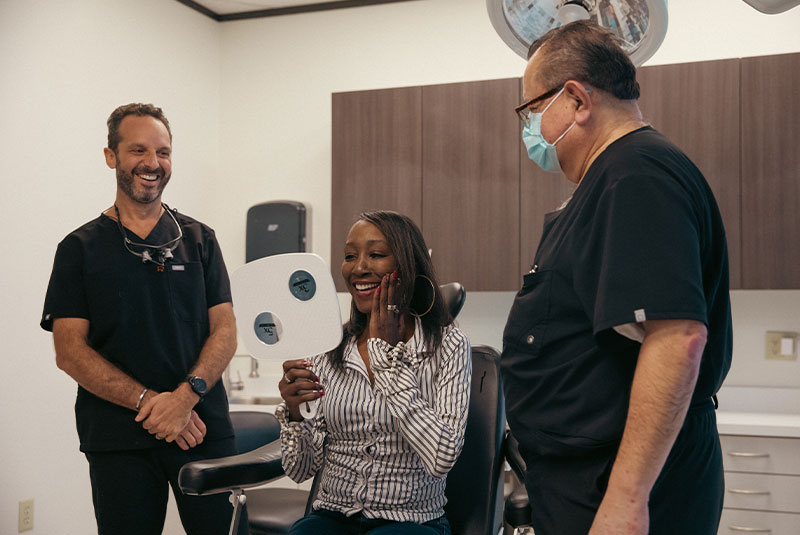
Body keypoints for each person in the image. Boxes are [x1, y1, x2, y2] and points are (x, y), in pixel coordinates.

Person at [501, 20, 732, 535]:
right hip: (582, 478)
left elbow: (677, 337)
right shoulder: (612, 179)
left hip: (616, 488)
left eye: (534, 110)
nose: (532, 128)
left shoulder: (637, 175)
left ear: (578, 100)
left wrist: (627, 499)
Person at [41, 103, 246, 535]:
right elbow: (70, 351)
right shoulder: (79, 249)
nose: (153, 164)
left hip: (201, 428)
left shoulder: (199, 240)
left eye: (163, 152)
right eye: (139, 150)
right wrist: (151, 403)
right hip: (119, 438)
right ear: (111, 156)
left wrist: (185, 398)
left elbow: (225, 331)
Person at [276, 210, 471, 535]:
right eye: (350, 256)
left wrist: (387, 362)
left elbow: (441, 457)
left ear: (407, 266)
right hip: (332, 517)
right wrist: (297, 415)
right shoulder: (328, 347)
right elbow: (299, 470)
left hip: (412, 521)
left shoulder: (448, 344)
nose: (359, 268)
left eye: (376, 254)